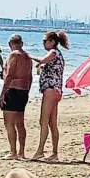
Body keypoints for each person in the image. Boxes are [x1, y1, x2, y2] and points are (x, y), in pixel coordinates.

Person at [30, 30, 68, 162]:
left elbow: (42, 59)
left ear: (52, 42)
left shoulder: (53, 52)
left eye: (44, 41)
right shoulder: (58, 54)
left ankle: (40, 151)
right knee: (52, 123)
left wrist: (29, 55)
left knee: (43, 121)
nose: (43, 43)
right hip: (56, 90)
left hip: (51, 90)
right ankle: (54, 153)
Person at [0, 35, 33, 160]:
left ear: (10, 44)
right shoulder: (27, 57)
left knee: (9, 123)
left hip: (12, 90)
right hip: (23, 90)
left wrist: (3, 93)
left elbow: (9, 75)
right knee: (20, 123)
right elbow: (30, 77)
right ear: (22, 43)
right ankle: (21, 152)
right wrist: (27, 91)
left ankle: (13, 152)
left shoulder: (13, 55)